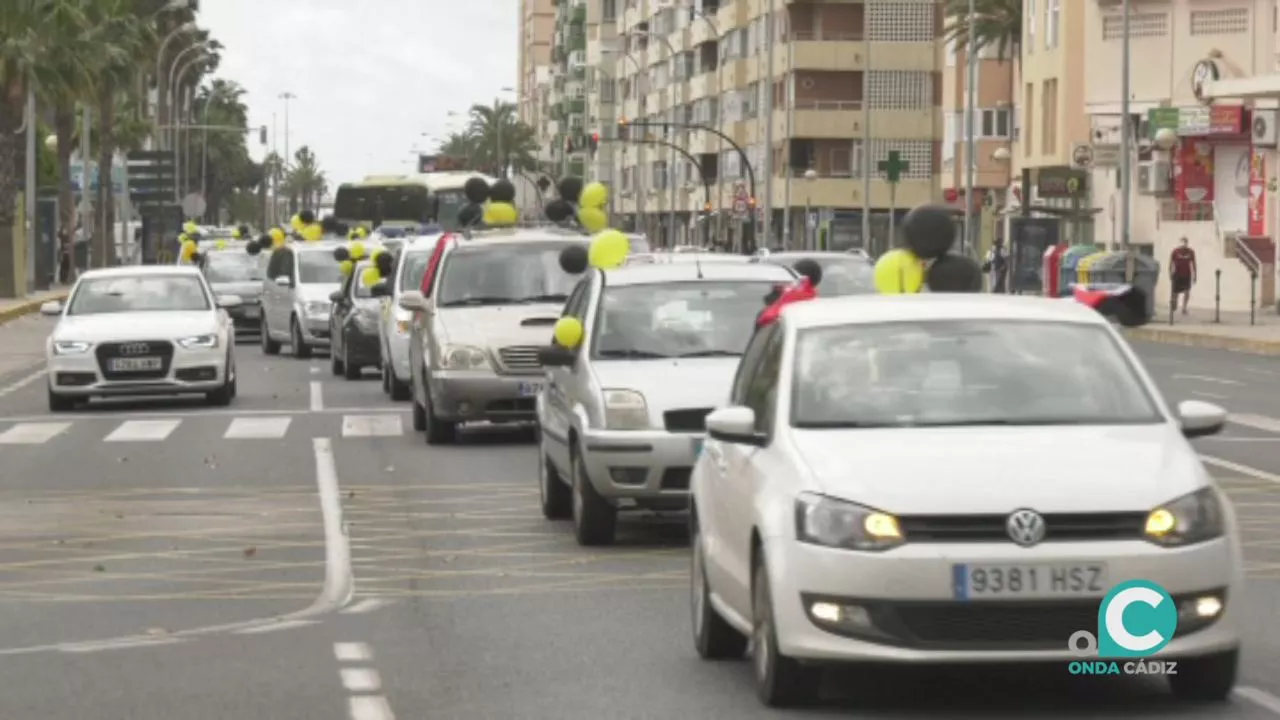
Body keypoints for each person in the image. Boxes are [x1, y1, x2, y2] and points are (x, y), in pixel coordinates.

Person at [1169, 236, 1196, 315]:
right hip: (1177, 274)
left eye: (1185, 242)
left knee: (1187, 292)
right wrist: (1170, 273)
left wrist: (1195, 275)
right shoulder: (1175, 251)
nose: (1184, 244)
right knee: (1175, 292)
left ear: (1187, 243)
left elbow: (1194, 264)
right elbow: (1171, 263)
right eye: (1182, 242)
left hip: (1187, 274)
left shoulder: (1191, 252)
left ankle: (1184, 308)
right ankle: (1174, 305)